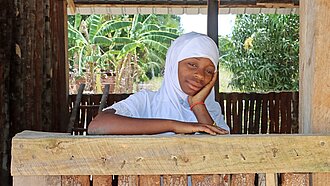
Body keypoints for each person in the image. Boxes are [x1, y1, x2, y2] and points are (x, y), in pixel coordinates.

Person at [88, 32, 230, 135]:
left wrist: (198, 105)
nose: (200, 75)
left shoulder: (210, 109)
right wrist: (173, 126)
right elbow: (97, 126)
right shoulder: (147, 101)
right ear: (174, 65)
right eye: (192, 64)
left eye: (209, 71)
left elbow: (224, 152)